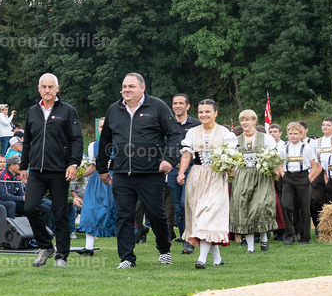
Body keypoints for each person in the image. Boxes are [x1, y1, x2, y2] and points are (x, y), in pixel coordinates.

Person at [95, 73, 175, 269]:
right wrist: (102, 169)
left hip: (150, 173)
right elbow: (105, 141)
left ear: (142, 88)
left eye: (131, 86)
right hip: (121, 173)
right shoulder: (114, 110)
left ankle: (164, 249)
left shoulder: (157, 107)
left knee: (156, 214)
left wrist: (168, 159)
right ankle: (127, 258)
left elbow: (174, 134)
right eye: (124, 86)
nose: (126, 90)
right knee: (123, 215)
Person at [21, 73, 83, 268]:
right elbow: (28, 142)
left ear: (57, 89)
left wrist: (74, 163)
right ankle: (46, 246)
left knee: (60, 212)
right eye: (44, 87)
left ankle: (62, 256)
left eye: (51, 87)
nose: (47, 90)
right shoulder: (32, 111)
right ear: (39, 89)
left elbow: (77, 139)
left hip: (59, 170)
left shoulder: (68, 111)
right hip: (37, 171)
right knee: (30, 208)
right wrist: (24, 166)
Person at [177, 100, 236, 268]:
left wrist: (231, 169)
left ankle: (201, 259)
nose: (203, 115)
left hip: (217, 177)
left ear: (215, 113)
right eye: (201, 112)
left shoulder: (225, 133)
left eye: (207, 112)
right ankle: (217, 259)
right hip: (197, 176)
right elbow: (187, 155)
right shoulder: (192, 133)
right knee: (202, 218)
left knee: (207, 216)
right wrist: (181, 172)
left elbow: (232, 156)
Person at [229, 110, 279, 253]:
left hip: (261, 175)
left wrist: (273, 167)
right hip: (242, 176)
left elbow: (273, 157)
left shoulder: (266, 138)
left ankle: (264, 237)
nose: (244, 123)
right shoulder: (236, 140)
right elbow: (231, 159)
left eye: (247, 120)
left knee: (260, 206)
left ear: (254, 121)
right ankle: (250, 246)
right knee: (244, 207)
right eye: (242, 120)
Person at [279, 122, 321, 245]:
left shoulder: (306, 147)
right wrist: (283, 175)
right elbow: (280, 165)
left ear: (301, 134)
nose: (293, 136)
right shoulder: (284, 148)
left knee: (304, 208)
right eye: (290, 133)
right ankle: (290, 234)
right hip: (289, 178)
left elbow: (314, 166)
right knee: (285, 205)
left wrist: (309, 179)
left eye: (295, 133)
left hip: (302, 177)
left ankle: (304, 236)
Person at [168, 94, 199, 253]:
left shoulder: (196, 125)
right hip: (173, 169)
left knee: (185, 203)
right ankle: (186, 240)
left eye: (181, 103)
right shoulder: (167, 124)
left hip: (192, 169)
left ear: (187, 106)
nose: (177, 106)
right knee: (178, 208)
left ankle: (193, 238)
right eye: (175, 103)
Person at [77, 134, 116, 256]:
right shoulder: (93, 145)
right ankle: (88, 247)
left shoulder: (121, 142)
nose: (102, 129)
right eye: (100, 127)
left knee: (116, 211)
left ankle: (125, 247)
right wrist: (81, 175)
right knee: (90, 210)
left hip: (115, 178)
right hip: (97, 180)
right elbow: (94, 166)